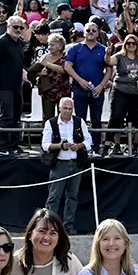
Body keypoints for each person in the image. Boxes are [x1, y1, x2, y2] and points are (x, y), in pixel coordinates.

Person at [43, 97, 92, 233]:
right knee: (54, 197)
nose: (67, 111)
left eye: (70, 109)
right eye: (65, 108)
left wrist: (79, 146)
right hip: (59, 164)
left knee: (72, 196)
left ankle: (68, 225)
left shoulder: (79, 122)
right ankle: (49, 226)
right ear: (59, 108)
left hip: (76, 163)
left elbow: (89, 141)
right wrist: (60, 146)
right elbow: (45, 144)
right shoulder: (51, 123)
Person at [63, 21, 111, 156]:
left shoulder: (103, 50)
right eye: (88, 30)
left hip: (97, 90)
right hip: (79, 89)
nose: (90, 32)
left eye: (93, 31)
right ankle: (80, 147)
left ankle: (95, 147)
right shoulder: (75, 48)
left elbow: (109, 69)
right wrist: (80, 80)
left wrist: (101, 85)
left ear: (98, 33)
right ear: (84, 32)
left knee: (96, 119)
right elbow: (67, 66)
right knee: (79, 119)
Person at [0, 14, 31, 155]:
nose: (18, 30)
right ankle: (3, 147)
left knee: (17, 117)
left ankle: (14, 145)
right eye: (15, 27)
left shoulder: (20, 42)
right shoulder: (0, 42)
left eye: (21, 27)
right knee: (6, 117)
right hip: (3, 86)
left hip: (17, 85)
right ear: (8, 26)